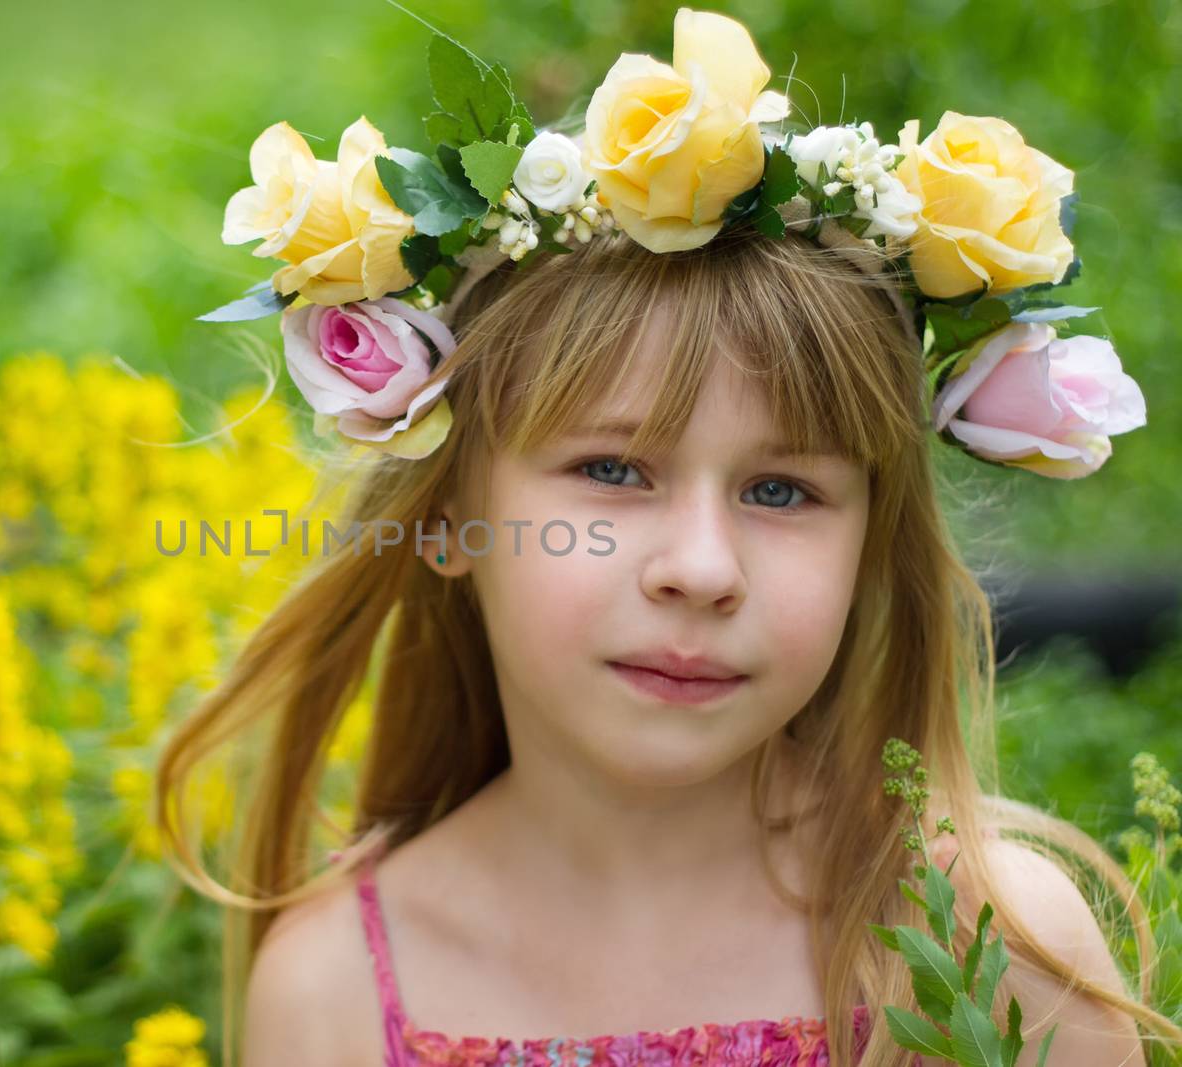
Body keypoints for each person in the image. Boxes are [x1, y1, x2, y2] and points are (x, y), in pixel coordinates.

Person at [158, 8, 1174, 1065]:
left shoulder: (991, 954)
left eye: (781, 491)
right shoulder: (336, 998)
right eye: (610, 470)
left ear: (873, 538)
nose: (700, 568)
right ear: (447, 514)